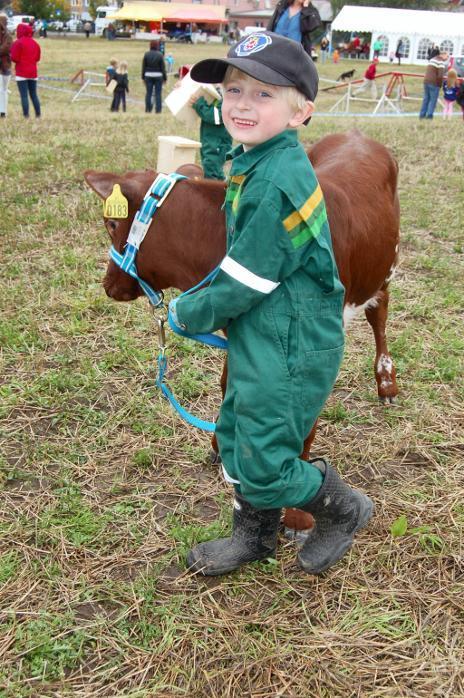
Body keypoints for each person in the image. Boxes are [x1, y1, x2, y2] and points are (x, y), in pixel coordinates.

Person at [168, 31, 374, 577]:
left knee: (266, 463)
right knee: (237, 436)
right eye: (234, 89)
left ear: (301, 110)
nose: (241, 103)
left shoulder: (277, 179)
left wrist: (189, 311)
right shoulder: (258, 159)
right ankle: (255, 536)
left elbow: (246, 279)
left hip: (291, 340)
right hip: (264, 329)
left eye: (263, 94)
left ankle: (344, 508)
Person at [189, 91, 232, 180]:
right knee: (213, 169)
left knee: (211, 170)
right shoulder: (217, 92)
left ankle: (212, 190)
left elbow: (216, 117)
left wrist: (199, 104)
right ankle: (220, 188)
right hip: (211, 141)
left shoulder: (227, 96)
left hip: (218, 144)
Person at [10, 23, 41, 119]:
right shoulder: (35, 43)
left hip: (21, 72)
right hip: (33, 72)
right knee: (34, 94)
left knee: (24, 95)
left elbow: (14, 58)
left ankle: (26, 115)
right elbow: (37, 58)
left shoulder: (18, 43)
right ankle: (38, 114)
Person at [419, 51, 448, 120]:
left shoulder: (432, 59)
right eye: (447, 56)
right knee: (433, 100)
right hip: (434, 83)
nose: (447, 58)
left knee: (426, 99)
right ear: (443, 55)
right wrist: (440, 85)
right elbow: (440, 76)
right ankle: (429, 116)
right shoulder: (441, 62)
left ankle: (422, 115)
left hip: (426, 81)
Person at [141, 40, 166, 114]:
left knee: (148, 93)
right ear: (157, 46)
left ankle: (148, 109)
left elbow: (143, 66)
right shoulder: (160, 55)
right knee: (158, 94)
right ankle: (158, 110)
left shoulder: (146, 54)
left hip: (148, 75)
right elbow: (163, 68)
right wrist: (165, 78)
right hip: (158, 75)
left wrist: (143, 77)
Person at [0, 14, 13, 118]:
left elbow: (5, 49)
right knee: (1, 90)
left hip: (6, 66)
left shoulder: (8, 36)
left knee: (4, 90)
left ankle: (3, 111)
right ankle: (2, 111)